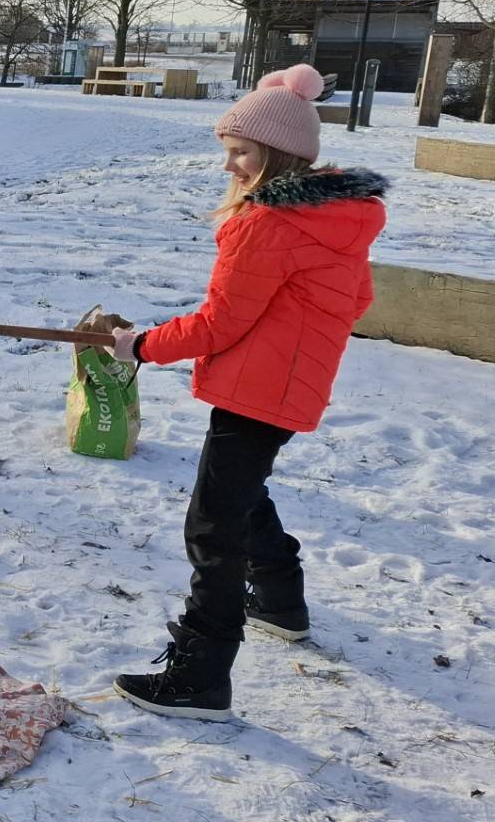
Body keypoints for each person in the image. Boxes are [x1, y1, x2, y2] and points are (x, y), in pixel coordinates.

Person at [107, 63, 387, 720]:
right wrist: (297, 340)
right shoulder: (338, 213)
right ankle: (281, 602)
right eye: (228, 150)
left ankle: (200, 674)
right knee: (241, 492)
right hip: (292, 383)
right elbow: (358, 299)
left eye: (241, 152)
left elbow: (219, 323)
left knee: (213, 525)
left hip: (257, 387)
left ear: (277, 154)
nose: (229, 165)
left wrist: (140, 346)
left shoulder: (266, 222)